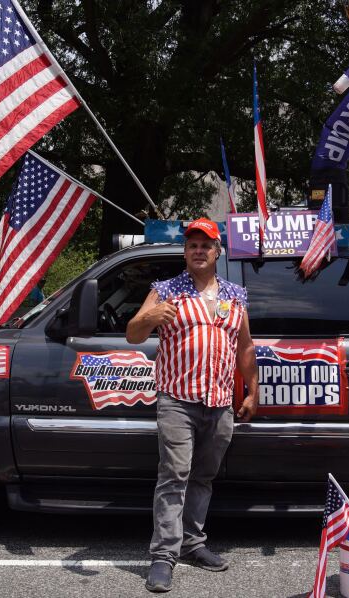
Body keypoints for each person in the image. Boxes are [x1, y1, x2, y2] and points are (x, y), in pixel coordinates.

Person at [126, 218, 259, 593]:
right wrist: (149, 317)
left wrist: (252, 389)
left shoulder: (235, 295)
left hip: (219, 403)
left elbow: (245, 346)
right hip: (178, 401)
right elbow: (134, 334)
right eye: (192, 245)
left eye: (206, 245)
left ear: (218, 252)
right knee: (174, 476)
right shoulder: (165, 291)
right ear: (185, 252)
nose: (198, 250)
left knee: (203, 477)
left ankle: (193, 543)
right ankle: (163, 557)